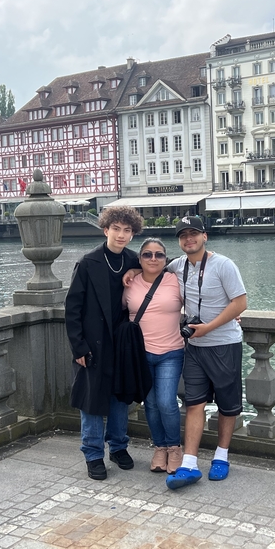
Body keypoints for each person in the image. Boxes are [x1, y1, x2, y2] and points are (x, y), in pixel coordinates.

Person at [165, 216, 247, 490]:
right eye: (183, 235)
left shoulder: (223, 265)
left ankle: (221, 457)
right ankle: (189, 464)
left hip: (224, 344)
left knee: (227, 404)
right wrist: (131, 272)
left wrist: (208, 327)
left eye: (194, 234)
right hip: (195, 348)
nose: (188, 239)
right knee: (194, 403)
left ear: (204, 236)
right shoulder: (177, 266)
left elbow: (240, 302)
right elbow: (148, 269)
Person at [65, 205, 144, 480]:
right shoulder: (88, 263)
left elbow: (163, 269)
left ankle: (119, 447)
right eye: (117, 229)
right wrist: (79, 347)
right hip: (93, 344)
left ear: (132, 234)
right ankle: (93, 453)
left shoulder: (135, 261)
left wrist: (135, 272)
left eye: (127, 230)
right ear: (105, 229)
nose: (121, 235)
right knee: (92, 401)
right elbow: (72, 308)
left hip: (122, 342)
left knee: (120, 398)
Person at [122, 238, 184, 474]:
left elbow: (200, 300)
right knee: (150, 404)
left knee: (167, 402)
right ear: (139, 259)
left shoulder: (175, 281)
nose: (153, 259)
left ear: (166, 259)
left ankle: (174, 448)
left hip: (171, 351)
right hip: (140, 354)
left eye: (159, 255)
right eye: (147, 255)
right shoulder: (129, 283)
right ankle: (159, 447)